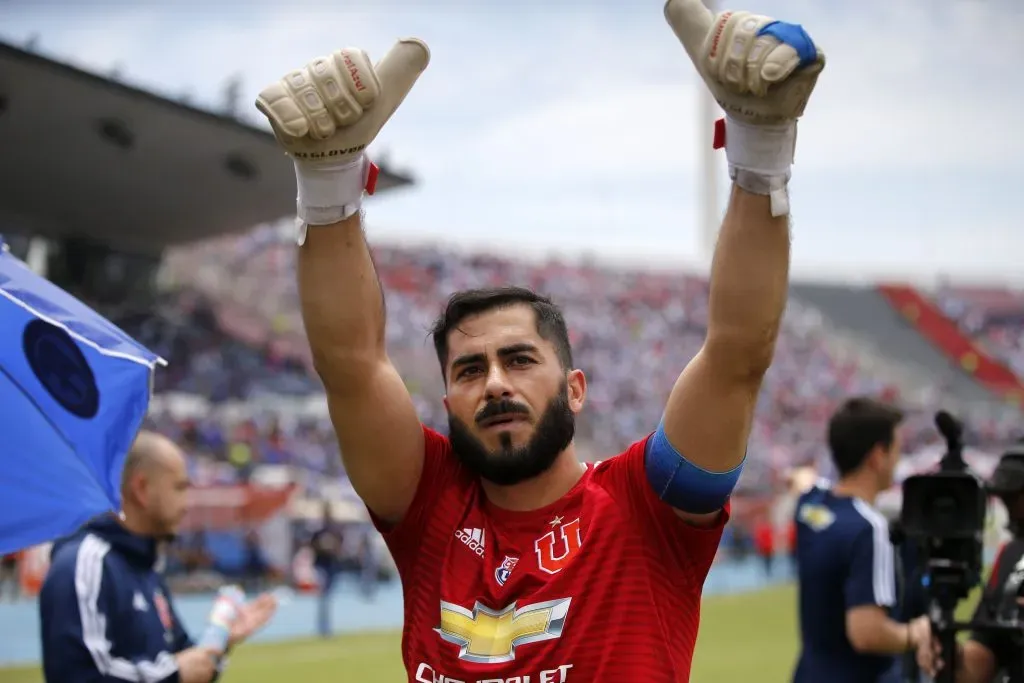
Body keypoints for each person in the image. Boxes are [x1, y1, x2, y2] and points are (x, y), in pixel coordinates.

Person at [253, 1, 826, 680]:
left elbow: (736, 354)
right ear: (447, 400)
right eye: (469, 370)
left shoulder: (647, 507)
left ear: (575, 387)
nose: (495, 381)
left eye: (519, 359)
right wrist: (326, 188)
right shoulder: (426, 502)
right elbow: (350, 365)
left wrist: (759, 154)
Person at [38, 430, 278, 683]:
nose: (186, 504)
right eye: (179, 487)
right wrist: (174, 675)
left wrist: (222, 637)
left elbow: (180, 658)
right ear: (141, 488)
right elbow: (79, 675)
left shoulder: (145, 568)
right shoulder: (85, 564)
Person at [791, 398, 932, 683]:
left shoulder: (812, 506)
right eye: (896, 450)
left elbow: (800, 480)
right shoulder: (870, 529)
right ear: (877, 456)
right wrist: (916, 633)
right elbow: (866, 633)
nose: (897, 460)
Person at [916, 450, 1024, 683]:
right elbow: (982, 658)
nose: (1009, 509)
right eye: (1005, 498)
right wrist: (950, 655)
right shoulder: (1011, 555)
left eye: (1015, 498)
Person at [310, 501, 343, 637]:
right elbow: (312, 546)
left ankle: (327, 628)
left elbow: (340, 548)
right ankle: (323, 628)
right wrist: (322, 547)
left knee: (328, 597)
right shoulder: (318, 532)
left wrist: (332, 547)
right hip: (321, 566)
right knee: (323, 597)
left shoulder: (335, 531)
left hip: (332, 566)